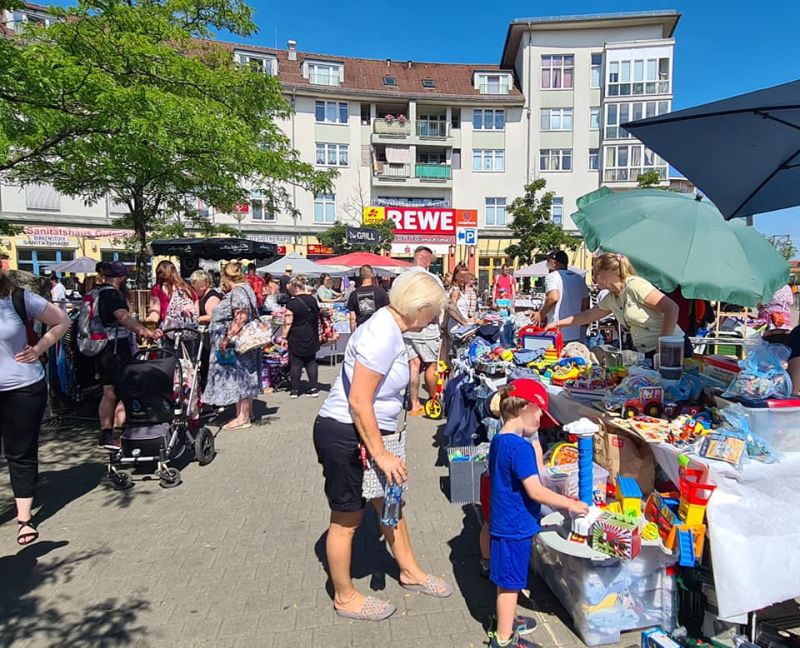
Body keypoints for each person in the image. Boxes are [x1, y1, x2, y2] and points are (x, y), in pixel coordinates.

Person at [314, 269, 451, 621]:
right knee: (347, 518)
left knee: (390, 502)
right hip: (348, 434)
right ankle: (344, 596)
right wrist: (381, 454)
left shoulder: (391, 329)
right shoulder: (381, 333)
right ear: (417, 308)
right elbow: (359, 400)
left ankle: (409, 571)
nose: (434, 319)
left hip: (374, 434)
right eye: (433, 311)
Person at [487, 379, 589, 648]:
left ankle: (505, 620)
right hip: (514, 526)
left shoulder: (501, 440)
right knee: (510, 584)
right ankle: (504, 639)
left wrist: (533, 440)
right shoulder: (519, 448)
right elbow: (537, 491)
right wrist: (570, 504)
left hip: (504, 521)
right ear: (526, 408)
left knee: (506, 580)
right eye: (540, 413)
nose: (541, 419)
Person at [1, 270, 70, 544]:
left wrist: (40, 348)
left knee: (20, 452)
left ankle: (24, 518)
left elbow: (62, 321)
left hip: (22, 388)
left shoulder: (18, 298)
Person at [547, 253, 682, 358]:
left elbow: (672, 308)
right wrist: (557, 324)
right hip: (647, 352)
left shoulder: (634, 285)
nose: (594, 278)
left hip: (672, 351)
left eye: (595, 273)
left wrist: (663, 344)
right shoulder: (612, 297)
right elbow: (587, 316)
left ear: (606, 273)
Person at [93, 262, 162, 445]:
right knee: (125, 388)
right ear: (121, 277)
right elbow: (124, 318)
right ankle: (120, 431)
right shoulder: (112, 295)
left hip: (100, 346)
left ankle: (106, 433)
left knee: (108, 390)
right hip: (115, 347)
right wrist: (146, 332)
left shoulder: (96, 292)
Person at [202, 261, 262, 430]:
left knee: (240, 376)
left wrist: (227, 338)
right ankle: (246, 414)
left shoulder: (238, 292)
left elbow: (241, 316)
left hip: (237, 344)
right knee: (245, 376)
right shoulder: (245, 289)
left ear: (226, 277)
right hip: (241, 344)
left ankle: (242, 418)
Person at [403, 246, 442, 416]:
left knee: (413, 365)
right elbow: (441, 304)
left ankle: (414, 403)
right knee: (431, 365)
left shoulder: (401, 279)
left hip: (407, 327)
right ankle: (434, 401)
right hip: (427, 328)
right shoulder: (432, 279)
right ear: (425, 259)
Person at [534, 250, 589, 343]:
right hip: (577, 329)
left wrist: (541, 314)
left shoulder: (552, 277)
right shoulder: (578, 278)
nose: (546, 264)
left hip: (558, 330)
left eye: (548, 261)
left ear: (554, 263)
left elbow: (553, 297)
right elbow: (585, 303)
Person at [281, 275, 320, 399]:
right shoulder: (313, 300)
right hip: (312, 333)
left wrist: (283, 337)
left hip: (296, 335)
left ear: (296, 287)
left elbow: (288, 321)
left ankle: (295, 390)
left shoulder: (291, 303)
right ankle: (314, 388)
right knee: (311, 361)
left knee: (296, 363)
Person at [145, 260, 198, 333]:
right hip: (188, 330)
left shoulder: (157, 289)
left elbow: (155, 314)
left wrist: (144, 326)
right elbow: (196, 314)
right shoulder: (189, 289)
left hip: (168, 330)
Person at [190, 269, 222, 389]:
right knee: (202, 365)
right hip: (202, 335)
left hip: (210, 336)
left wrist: (196, 319)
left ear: (203, 285)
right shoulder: (199, 297)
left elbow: (211, 316)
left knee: (208, 365)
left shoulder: (212, 297)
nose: (193, 287)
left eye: (194, 284)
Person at [346, 264, 389, 331]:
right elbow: (388, 313)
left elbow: (352, 318)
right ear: (372, 275)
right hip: (378, 330)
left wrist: (353, 334)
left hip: (362, 331)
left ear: (360, 276)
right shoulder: (381, 291)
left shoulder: (354, 294)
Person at [447, 267, 473, 335]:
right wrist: (463, 322)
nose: (463, 279)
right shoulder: (456, 290)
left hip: (463, 326)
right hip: (457, 327)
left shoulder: (462, 290)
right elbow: (451, 309)